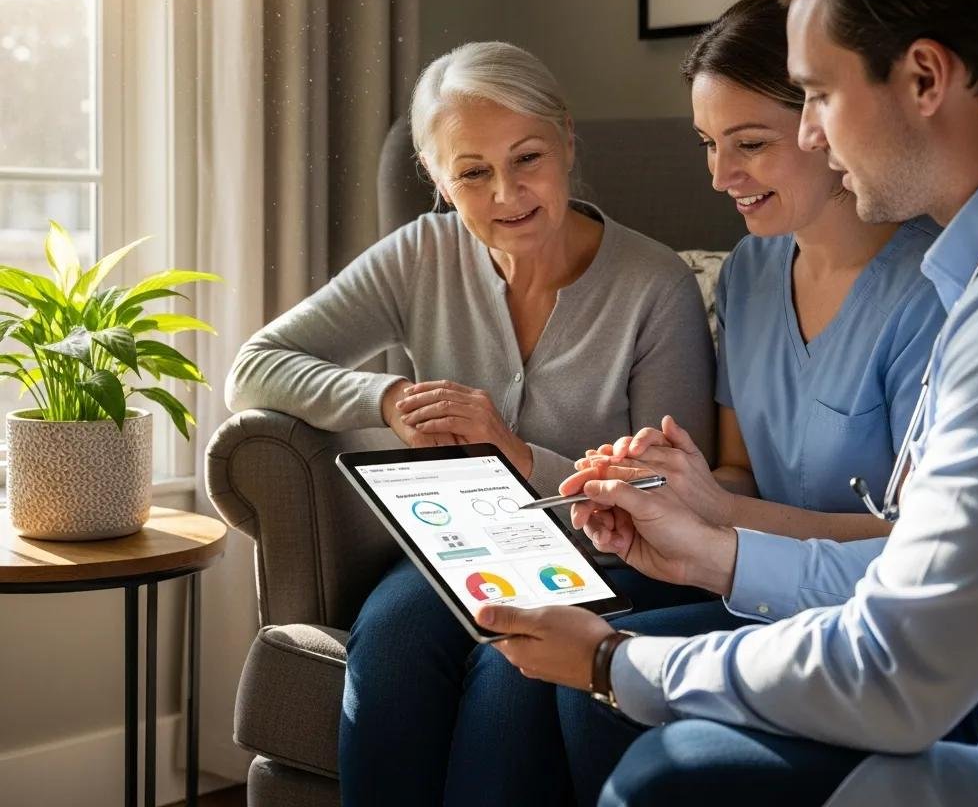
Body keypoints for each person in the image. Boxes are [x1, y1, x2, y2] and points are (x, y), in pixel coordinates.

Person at [482, 0, 978, 807]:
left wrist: (619, 663)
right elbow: (927, 579)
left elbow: (898, 664)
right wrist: (709, 553)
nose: (811, 131)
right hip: (969, 691)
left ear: (926, 78)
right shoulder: (977, 272)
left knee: (666, 771)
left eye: (814, 96)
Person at [224, 40, 716, 805]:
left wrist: (518, 455)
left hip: (609, 559)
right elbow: (255, 364)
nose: (506, 193)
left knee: (507, 671)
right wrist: (388, 401)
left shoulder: (655, 285)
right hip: (457, 542)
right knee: (388, 642)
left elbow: (675, 493)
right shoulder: (422, 254)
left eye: (528, 159)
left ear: (567, 142)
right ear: (438, 179)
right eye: (472, 172)